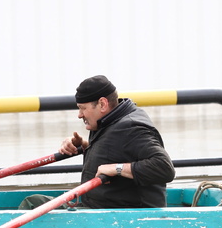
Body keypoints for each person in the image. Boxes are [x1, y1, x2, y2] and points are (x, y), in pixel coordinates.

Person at [59, 75, 175, 208]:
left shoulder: (132, 127)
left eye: (83, 108)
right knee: (35, 200)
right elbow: (116, 150)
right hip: (95, 209)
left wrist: (117, 168)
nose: (79, 114)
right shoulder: (107, 121)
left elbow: (164, 168)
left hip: (126, 219)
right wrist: (84, 146)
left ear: (102, 104)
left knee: (32, 203)